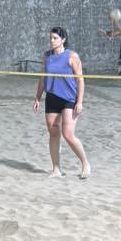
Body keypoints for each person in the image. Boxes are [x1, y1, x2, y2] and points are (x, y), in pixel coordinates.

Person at [33, 27, 91, 179]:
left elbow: (80, 81)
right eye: (51, 38)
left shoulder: (72, 56)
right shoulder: (46, 56)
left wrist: (80, 102)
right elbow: (42, 78)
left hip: (69, 99)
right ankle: (56, 169)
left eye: (55, 38)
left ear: (63, 40)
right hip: (52, 97)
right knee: (53, 133)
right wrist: (37, 97)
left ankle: (85, 163)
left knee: (68, 134)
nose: (52, 41)